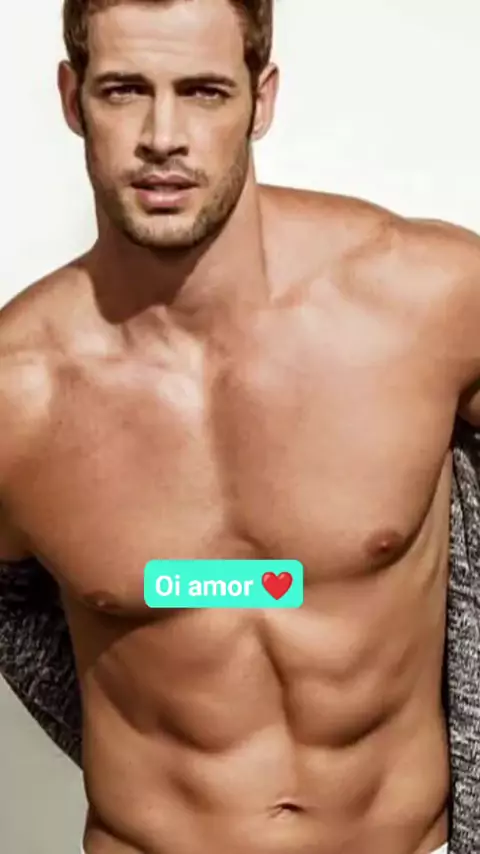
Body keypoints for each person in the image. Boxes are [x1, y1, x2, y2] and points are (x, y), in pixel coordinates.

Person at [1, 0, 479, 851]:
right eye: (124, 90)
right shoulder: (17, 392)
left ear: (263, 99)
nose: (162, 137)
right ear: (73, 99)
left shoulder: (426, 302)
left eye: (204, 91)